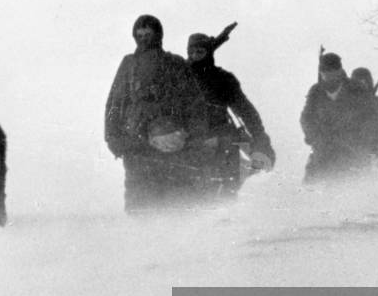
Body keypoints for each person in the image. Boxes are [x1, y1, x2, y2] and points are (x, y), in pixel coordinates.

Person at [104, 15, 210, 212]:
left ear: (158, 35)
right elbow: (114, 104)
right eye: (139, 34)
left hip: (176, 146)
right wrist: (114, 139)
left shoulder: (176, 63)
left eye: (148, 34)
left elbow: (195, 104)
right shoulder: (129, 64)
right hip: (138, 146)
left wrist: (194, 139)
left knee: (178, 204)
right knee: (140, 206)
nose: (144, 38)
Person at [186, 27, 275, 198]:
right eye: (192, 52)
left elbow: (245, 111)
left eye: (200, 51)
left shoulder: (223, 79)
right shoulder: (180, 78)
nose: (196, 56)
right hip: (193, 143)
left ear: (208, 53)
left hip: (223, 140)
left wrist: (260, 138)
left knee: (229, 189)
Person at [300, 52, 363, 183]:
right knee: (312, 189)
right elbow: (306, 118)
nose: (327, 76)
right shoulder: (316, 91)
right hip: (323, 151)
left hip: (351, 152)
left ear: (339, 71)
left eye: (331, 72)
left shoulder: (356, 89)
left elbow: (367, 118)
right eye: (324, 72)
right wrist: (314, 137)